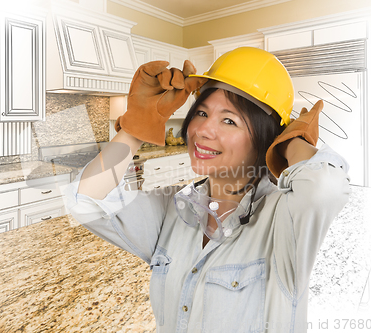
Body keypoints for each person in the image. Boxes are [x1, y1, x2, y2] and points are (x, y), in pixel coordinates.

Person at [64, 47, 351, 333]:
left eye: (229, 120)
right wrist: (136, 126)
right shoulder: (173, 208)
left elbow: (324, 188)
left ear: (266, 137)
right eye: (201, 112)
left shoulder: (284, 219)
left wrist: (291, 141)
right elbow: (85, 200)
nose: (202, 130)